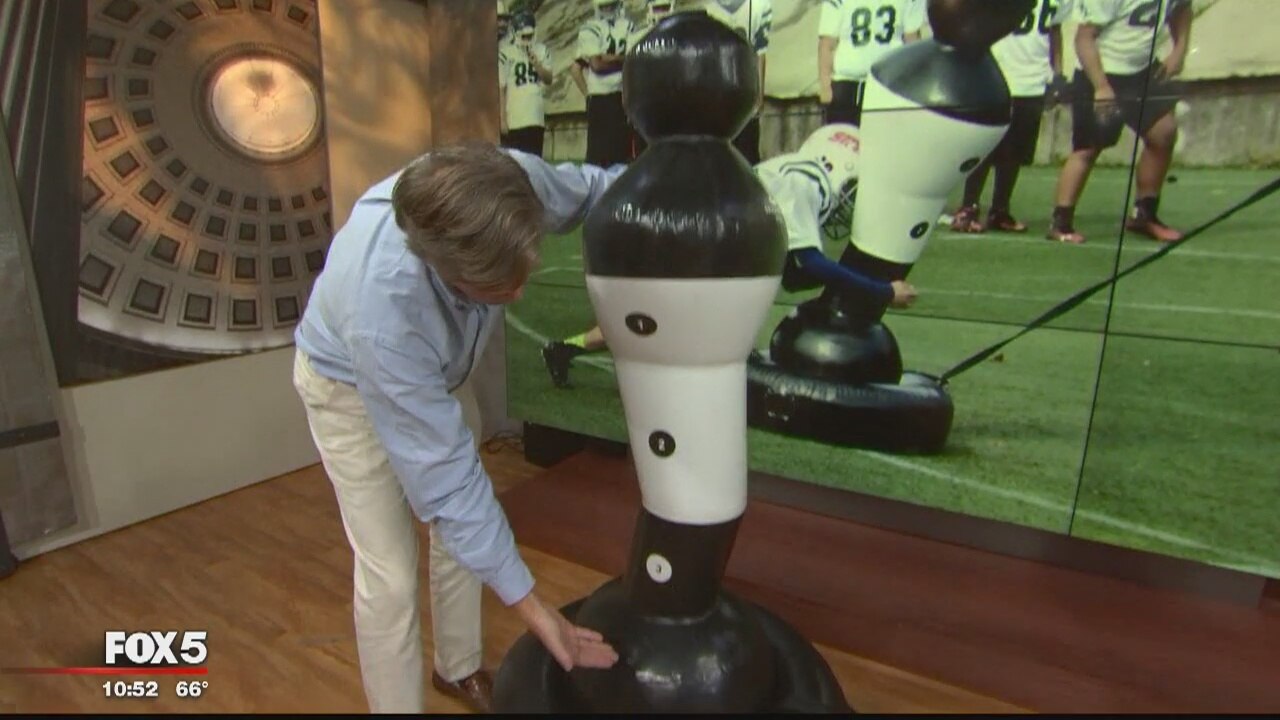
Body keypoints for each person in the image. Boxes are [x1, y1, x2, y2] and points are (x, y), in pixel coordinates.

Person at [292, 143, 624, 713]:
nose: (518, 294)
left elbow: (597, 188)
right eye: (498, 286)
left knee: (460, 532)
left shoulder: (511, 184)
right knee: (391, 574)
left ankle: (458, 668)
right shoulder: (387, 315)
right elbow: (448, 487)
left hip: (435, 374)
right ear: (447, 271)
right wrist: (536, 610)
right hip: (345, 390)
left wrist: (676, 182)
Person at [541, 125, 917, 389]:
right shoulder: (804, 183)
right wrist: (882, 290)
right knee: (664, 320)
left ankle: (564, 349)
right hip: (695, 238)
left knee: (660, 319)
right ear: (836, 167)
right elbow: (810, 264)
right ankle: (570, 351)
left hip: (699, 236)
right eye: (852, 187)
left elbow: (792, 276)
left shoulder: (788, 171)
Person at [1048, 0, 1192, 244]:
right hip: (1101, 71)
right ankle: (1060, 222)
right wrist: (1101, 87)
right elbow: (1084, 38)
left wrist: (1180, 50)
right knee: (1088, 148)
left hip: (1142, 70)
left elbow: (1182, 9)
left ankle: (1144, 215)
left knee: (1164, 133)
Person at [949, 0, 1073, 233]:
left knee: (1015, 151)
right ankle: (968, 208)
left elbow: (1055, 30)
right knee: (984, 146)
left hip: (1034, 78)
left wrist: (1057, 73)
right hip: (996, 73)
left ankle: (1000, 210)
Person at [818, 0, 926, 127]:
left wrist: (915, 85)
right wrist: (825, 87)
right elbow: (827, 44)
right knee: (844, 135)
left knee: (883, 134)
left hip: (887, 83)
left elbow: (912, 41)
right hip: (846, 83)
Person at [697, 0, 774, 164]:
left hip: (744, 91)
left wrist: (758, 95)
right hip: (716, 95)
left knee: (747, 156)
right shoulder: (706, 7)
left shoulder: (760, 6)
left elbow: (760, 53)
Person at [574, 0, 635, 167]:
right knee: (601, 159)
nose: (608, 9)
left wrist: (608, 58)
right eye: (605, 6)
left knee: (618, 158)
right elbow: (597, 65)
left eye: (610, 5)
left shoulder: (626, 26)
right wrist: (623, 60)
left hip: (617, 96)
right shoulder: (591, 28)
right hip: (605, 97)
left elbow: (580, 68)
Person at [627, 0, 677, 159]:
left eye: (664, 8)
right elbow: (630, 73)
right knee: (645, 154)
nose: (661, 13)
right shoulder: (636, 36)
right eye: (658, 8)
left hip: (673, 99)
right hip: (646, 101)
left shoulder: (680, 34)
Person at [500, 11, 553, 157]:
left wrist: (537, 65)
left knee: (535, 161)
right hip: (515, 118)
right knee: (517, 162)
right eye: (524, 36)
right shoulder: (506, 53)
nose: (527, 40)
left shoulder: (542, 50)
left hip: (535, 116)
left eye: (529, 36)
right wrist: (503, 119)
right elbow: (502, 88)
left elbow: (548, 79)